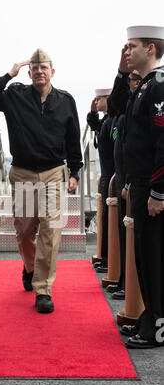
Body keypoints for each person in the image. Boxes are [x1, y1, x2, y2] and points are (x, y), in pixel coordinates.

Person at [0, 49, 83, 313]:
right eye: (34, 68)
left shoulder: (65, 100)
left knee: (51, 230)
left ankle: (43, 289)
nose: (39, 72)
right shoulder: (15, 95)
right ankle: (30, 267)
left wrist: (75, 171)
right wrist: (8, 74)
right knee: (25, 231)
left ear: (52, 71)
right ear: (29, 72)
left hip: (53, 173)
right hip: (23, 173)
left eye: (44, 67)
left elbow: (73, 137)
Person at [115, 25, 164, 348]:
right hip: (139, 182)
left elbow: (163, 141)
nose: (126, 51)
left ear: (150, 49)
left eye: (131, 46)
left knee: (155, 257)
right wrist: (121, 71)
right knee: (144, 258)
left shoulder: (159, 86)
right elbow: (118, 107)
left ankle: (158, 324)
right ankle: (150, 317)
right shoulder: (144, 86)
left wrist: (159, 192)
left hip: (153, 185)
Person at [106, 70, 142, 300]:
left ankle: (130, 289)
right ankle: (124, 283)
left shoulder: (137, 110)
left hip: (131, 180)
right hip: (120, 179)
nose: (132, 85)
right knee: (122, 233)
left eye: (135, 81)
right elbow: (113, 138)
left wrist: (128, 180)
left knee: (134, 240)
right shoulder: (120, 115)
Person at [87, 89, 114, 274]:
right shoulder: (106, 120)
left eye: (100, 99)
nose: (97, 101)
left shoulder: (113, 121)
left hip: (112, 175)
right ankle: (105, 257)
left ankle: (109, 259)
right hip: (106, 176)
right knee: (105, 219)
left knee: (110, 220)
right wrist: (92, 112)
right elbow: (96, 126)